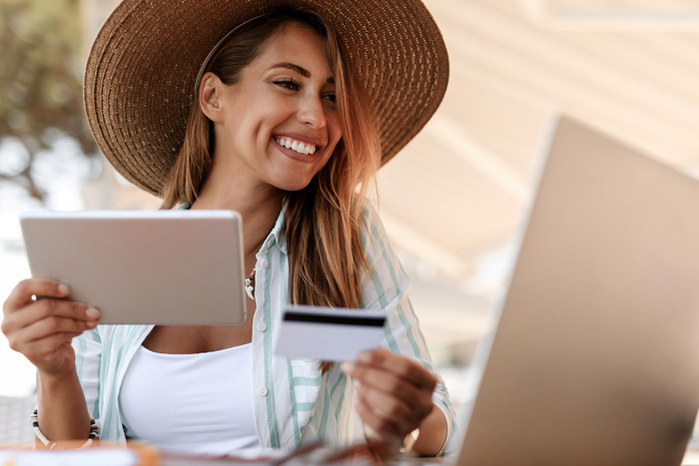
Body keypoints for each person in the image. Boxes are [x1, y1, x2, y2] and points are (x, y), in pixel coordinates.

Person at [1, 0, 455, 457]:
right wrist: (55, 372)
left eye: (331, 96)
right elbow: (72, 456)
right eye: (288, 83)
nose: (317, 117)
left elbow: (434, 417)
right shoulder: (118, 259)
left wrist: (411, 419)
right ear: (213, 97)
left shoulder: (344, 240)